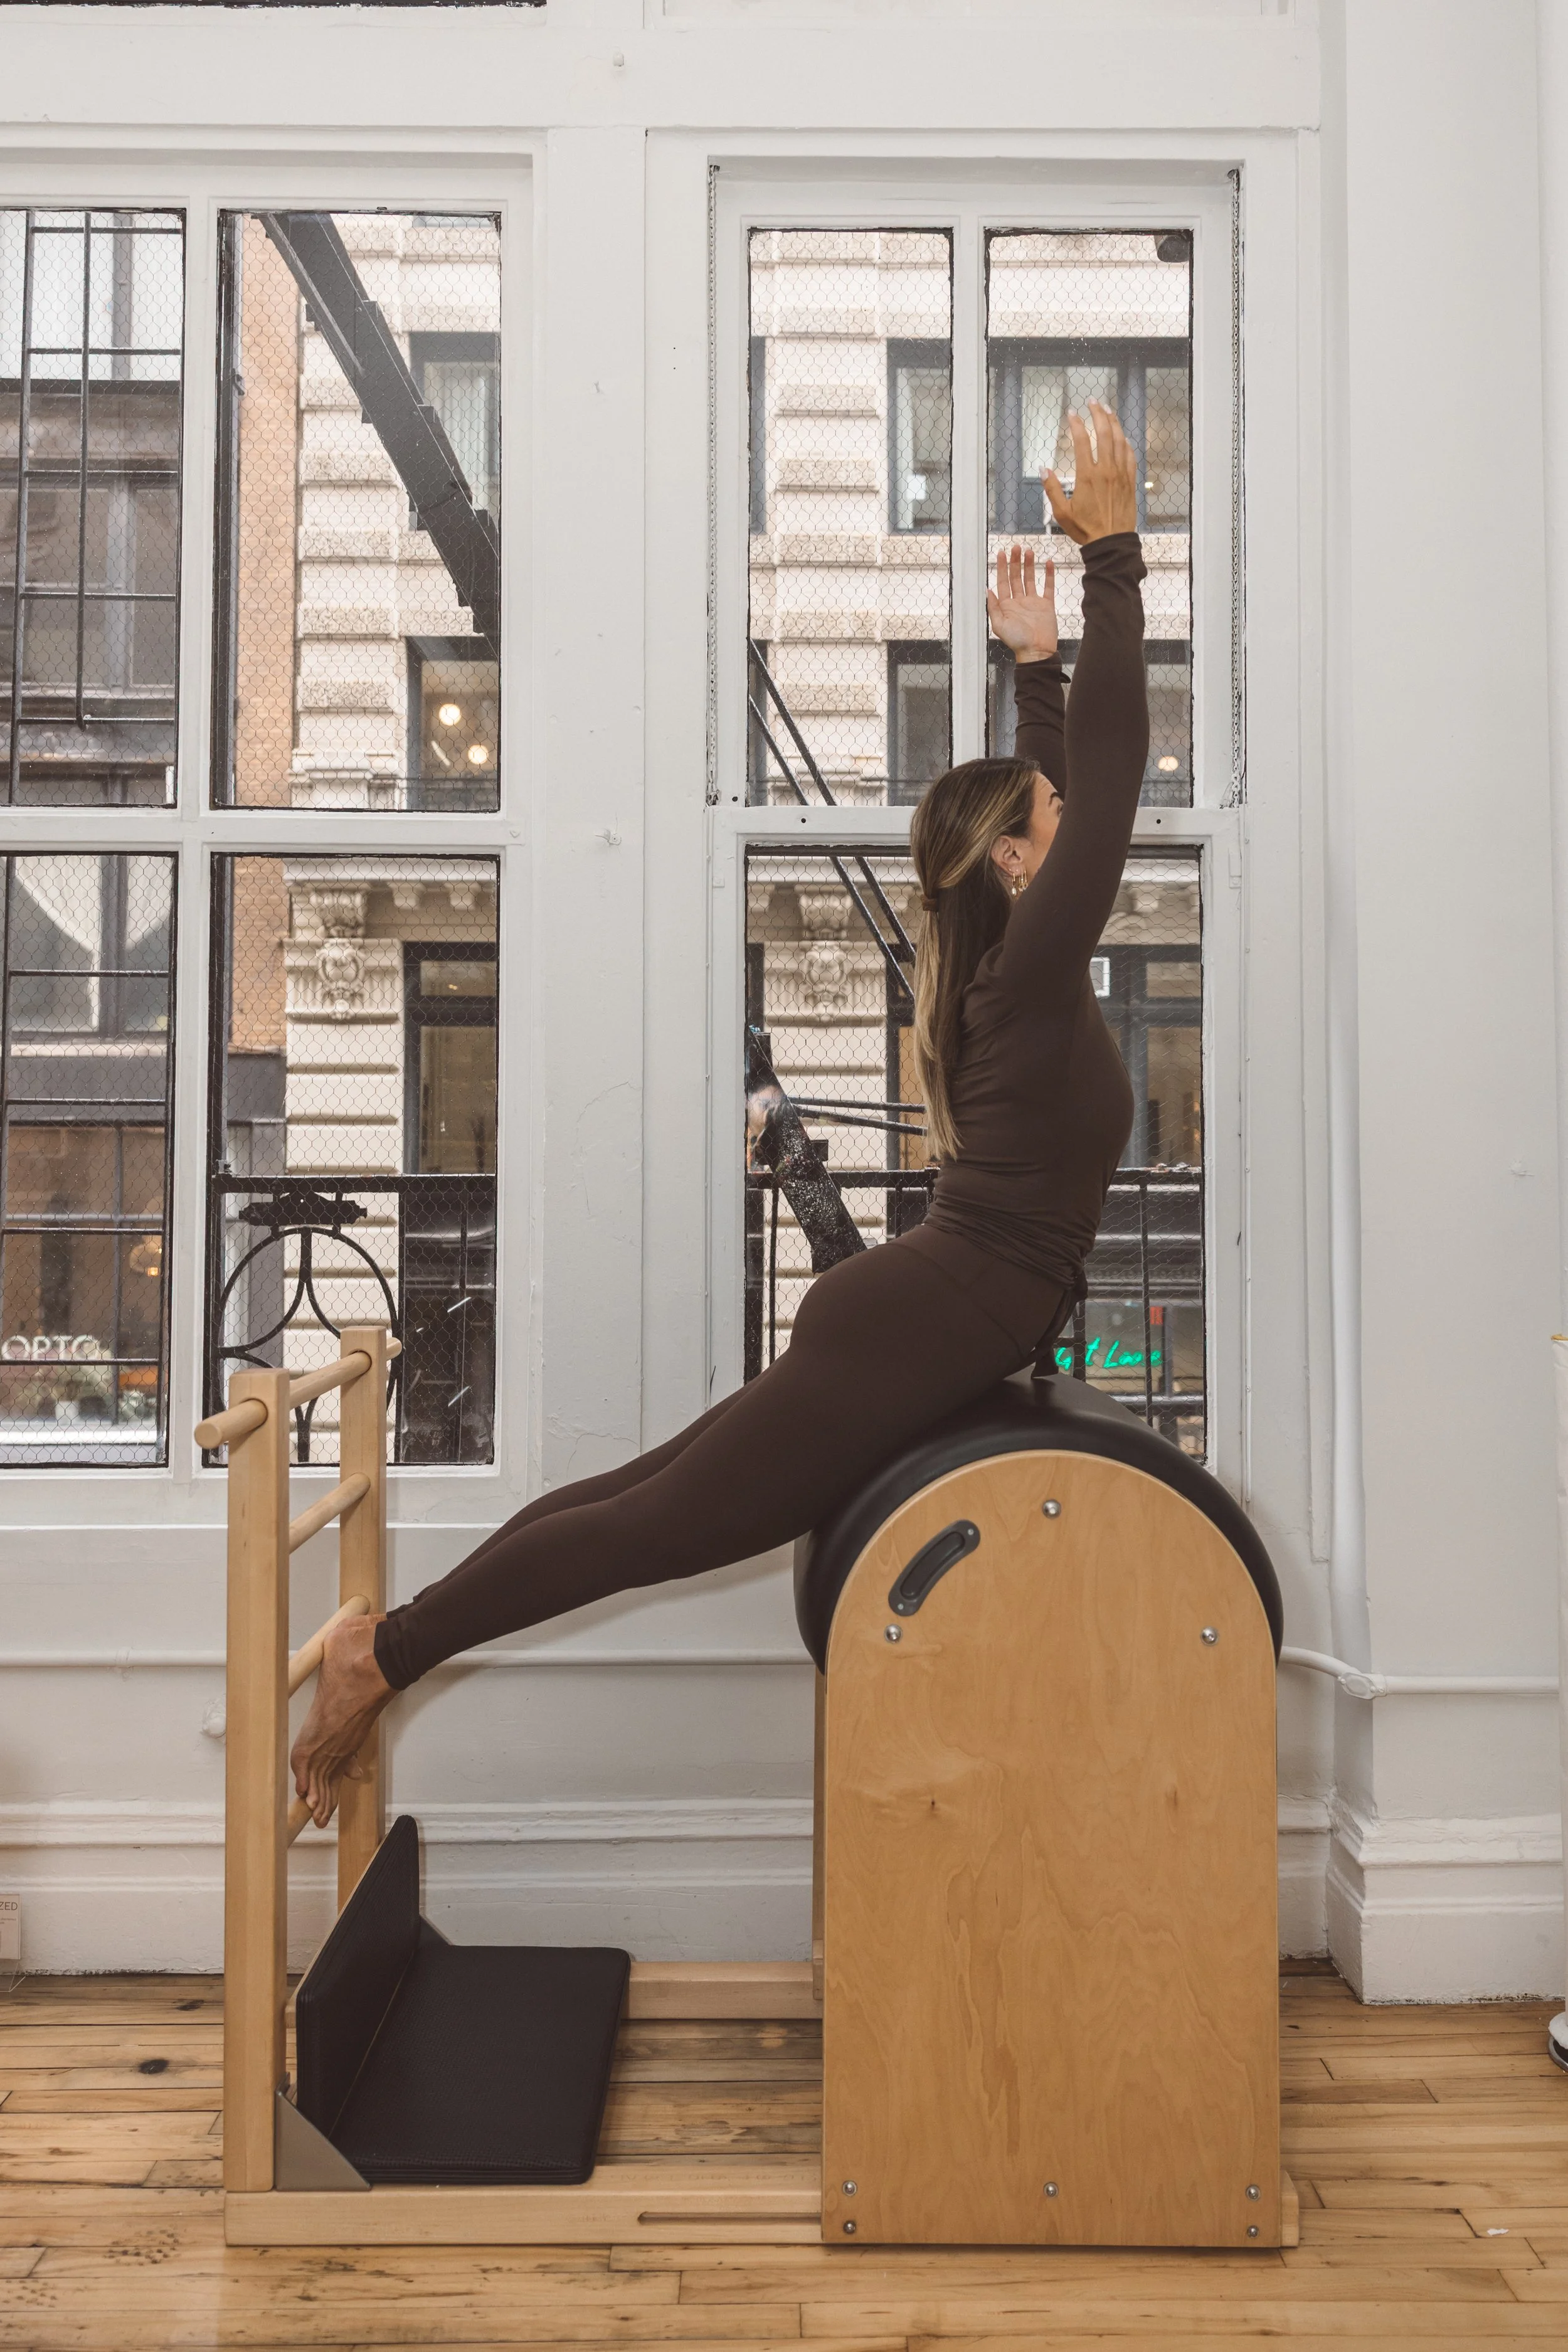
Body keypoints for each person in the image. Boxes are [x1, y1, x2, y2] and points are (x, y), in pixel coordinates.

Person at [291, 401, 1148, 1828]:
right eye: (1039, 833)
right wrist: (1113, 556)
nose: (1064, 835)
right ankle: (383, 1652)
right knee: (651, 1525)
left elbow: (1055, 797)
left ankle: (381, 1637)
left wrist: (1038, 669)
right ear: (1012, 868)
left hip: (918, 1306)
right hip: (929, 1314)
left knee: (641, 1495)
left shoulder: (1003, 972)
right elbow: (1098, 796)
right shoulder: (1030, 977)